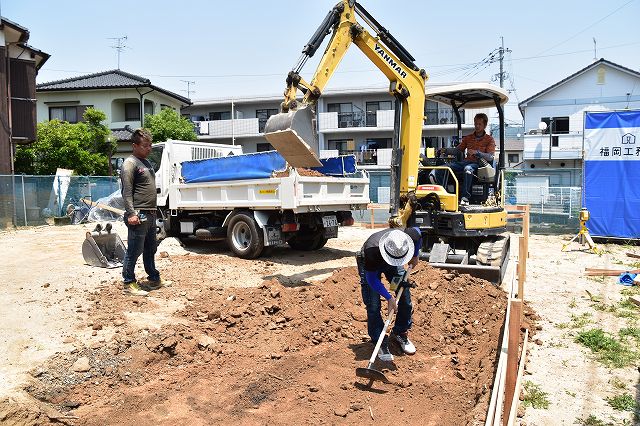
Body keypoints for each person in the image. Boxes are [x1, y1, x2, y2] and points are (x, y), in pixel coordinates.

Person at [356, 227, 422, 361]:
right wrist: (389, 298)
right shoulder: (371, 252)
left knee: (403, 295)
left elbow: (418, 235)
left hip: (394, 258)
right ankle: (379, 340)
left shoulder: (408, 237)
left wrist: (415, 255)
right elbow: (372, 280)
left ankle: (400, 332)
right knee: (373, 304)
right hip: (371, 264)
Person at [120, 128, 171, 296]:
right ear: (135, 145)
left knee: (151, 248)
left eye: (150, 145)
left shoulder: (147, 163)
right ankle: (128, 283)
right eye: (145, 145)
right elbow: (126, 192)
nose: (149, 148)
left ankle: (154, 279)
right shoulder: (130, 163)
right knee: (134, 250)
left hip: (150, 212)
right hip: (139, 213)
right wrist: (131, 213)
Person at [439, 113, 495, 205]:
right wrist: (445, 150)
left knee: (468, 169)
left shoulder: (489, 140)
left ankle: (465, 198)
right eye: (475, 123)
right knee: (444, 168)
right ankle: (444, 194)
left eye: (479, 124)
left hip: (479, 165)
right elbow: (457, 150)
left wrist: (477, 153)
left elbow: (490, 156)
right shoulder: (468, 138)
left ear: (485, 125)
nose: (477, 126)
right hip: (466, 162)